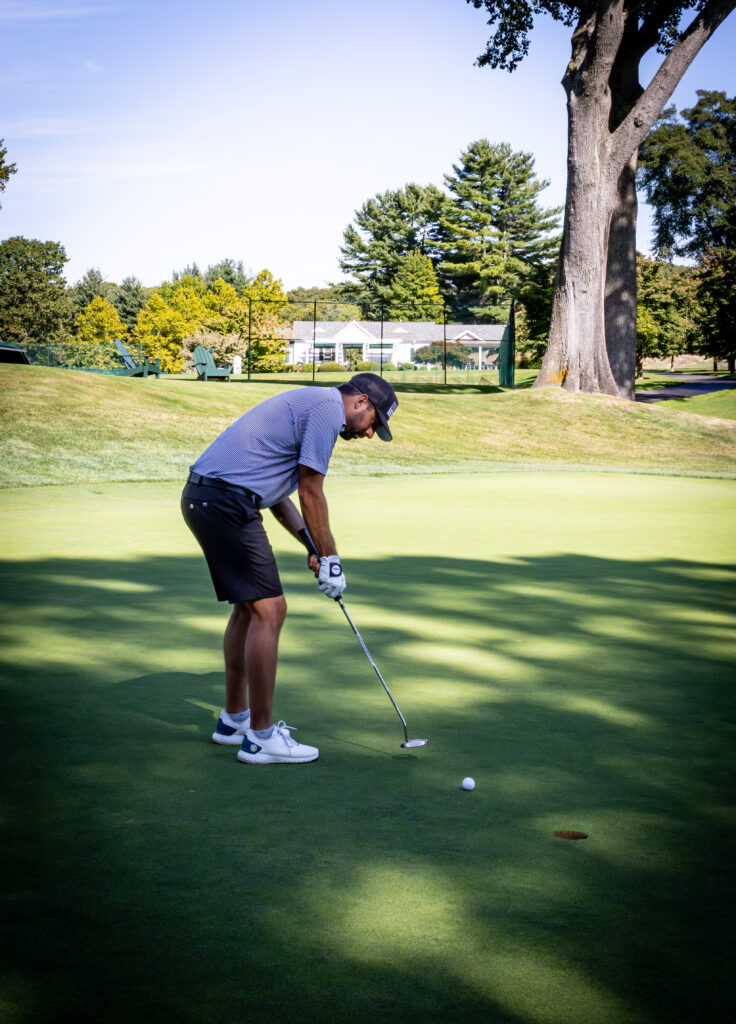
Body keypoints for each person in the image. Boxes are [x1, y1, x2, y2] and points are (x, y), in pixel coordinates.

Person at [181, 372, 398, 766]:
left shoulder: (312, 404)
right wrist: (331, 560)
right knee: (271, 610)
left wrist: (312, 546)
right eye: (375, 423)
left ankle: (234, 721)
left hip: (206, 498)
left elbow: (279, 497)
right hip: (226, 502)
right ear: (362, 402)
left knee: (249, 609)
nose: (370, 434)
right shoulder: (327, 411)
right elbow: (311, 490)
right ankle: (262, 738)